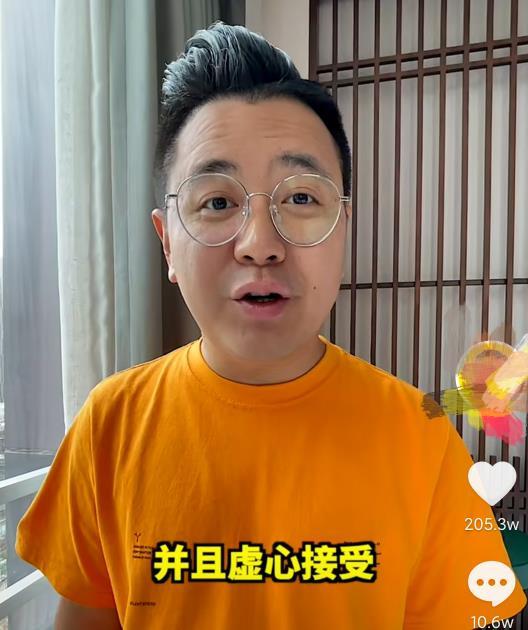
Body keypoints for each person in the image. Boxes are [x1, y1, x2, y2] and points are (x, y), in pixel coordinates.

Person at [15, 21, 527, 629]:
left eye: (301, 199)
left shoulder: (422, 440)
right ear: (167, 243)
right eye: (217, 202)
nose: (260, 244)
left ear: (343, 228)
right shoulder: (109, 426)